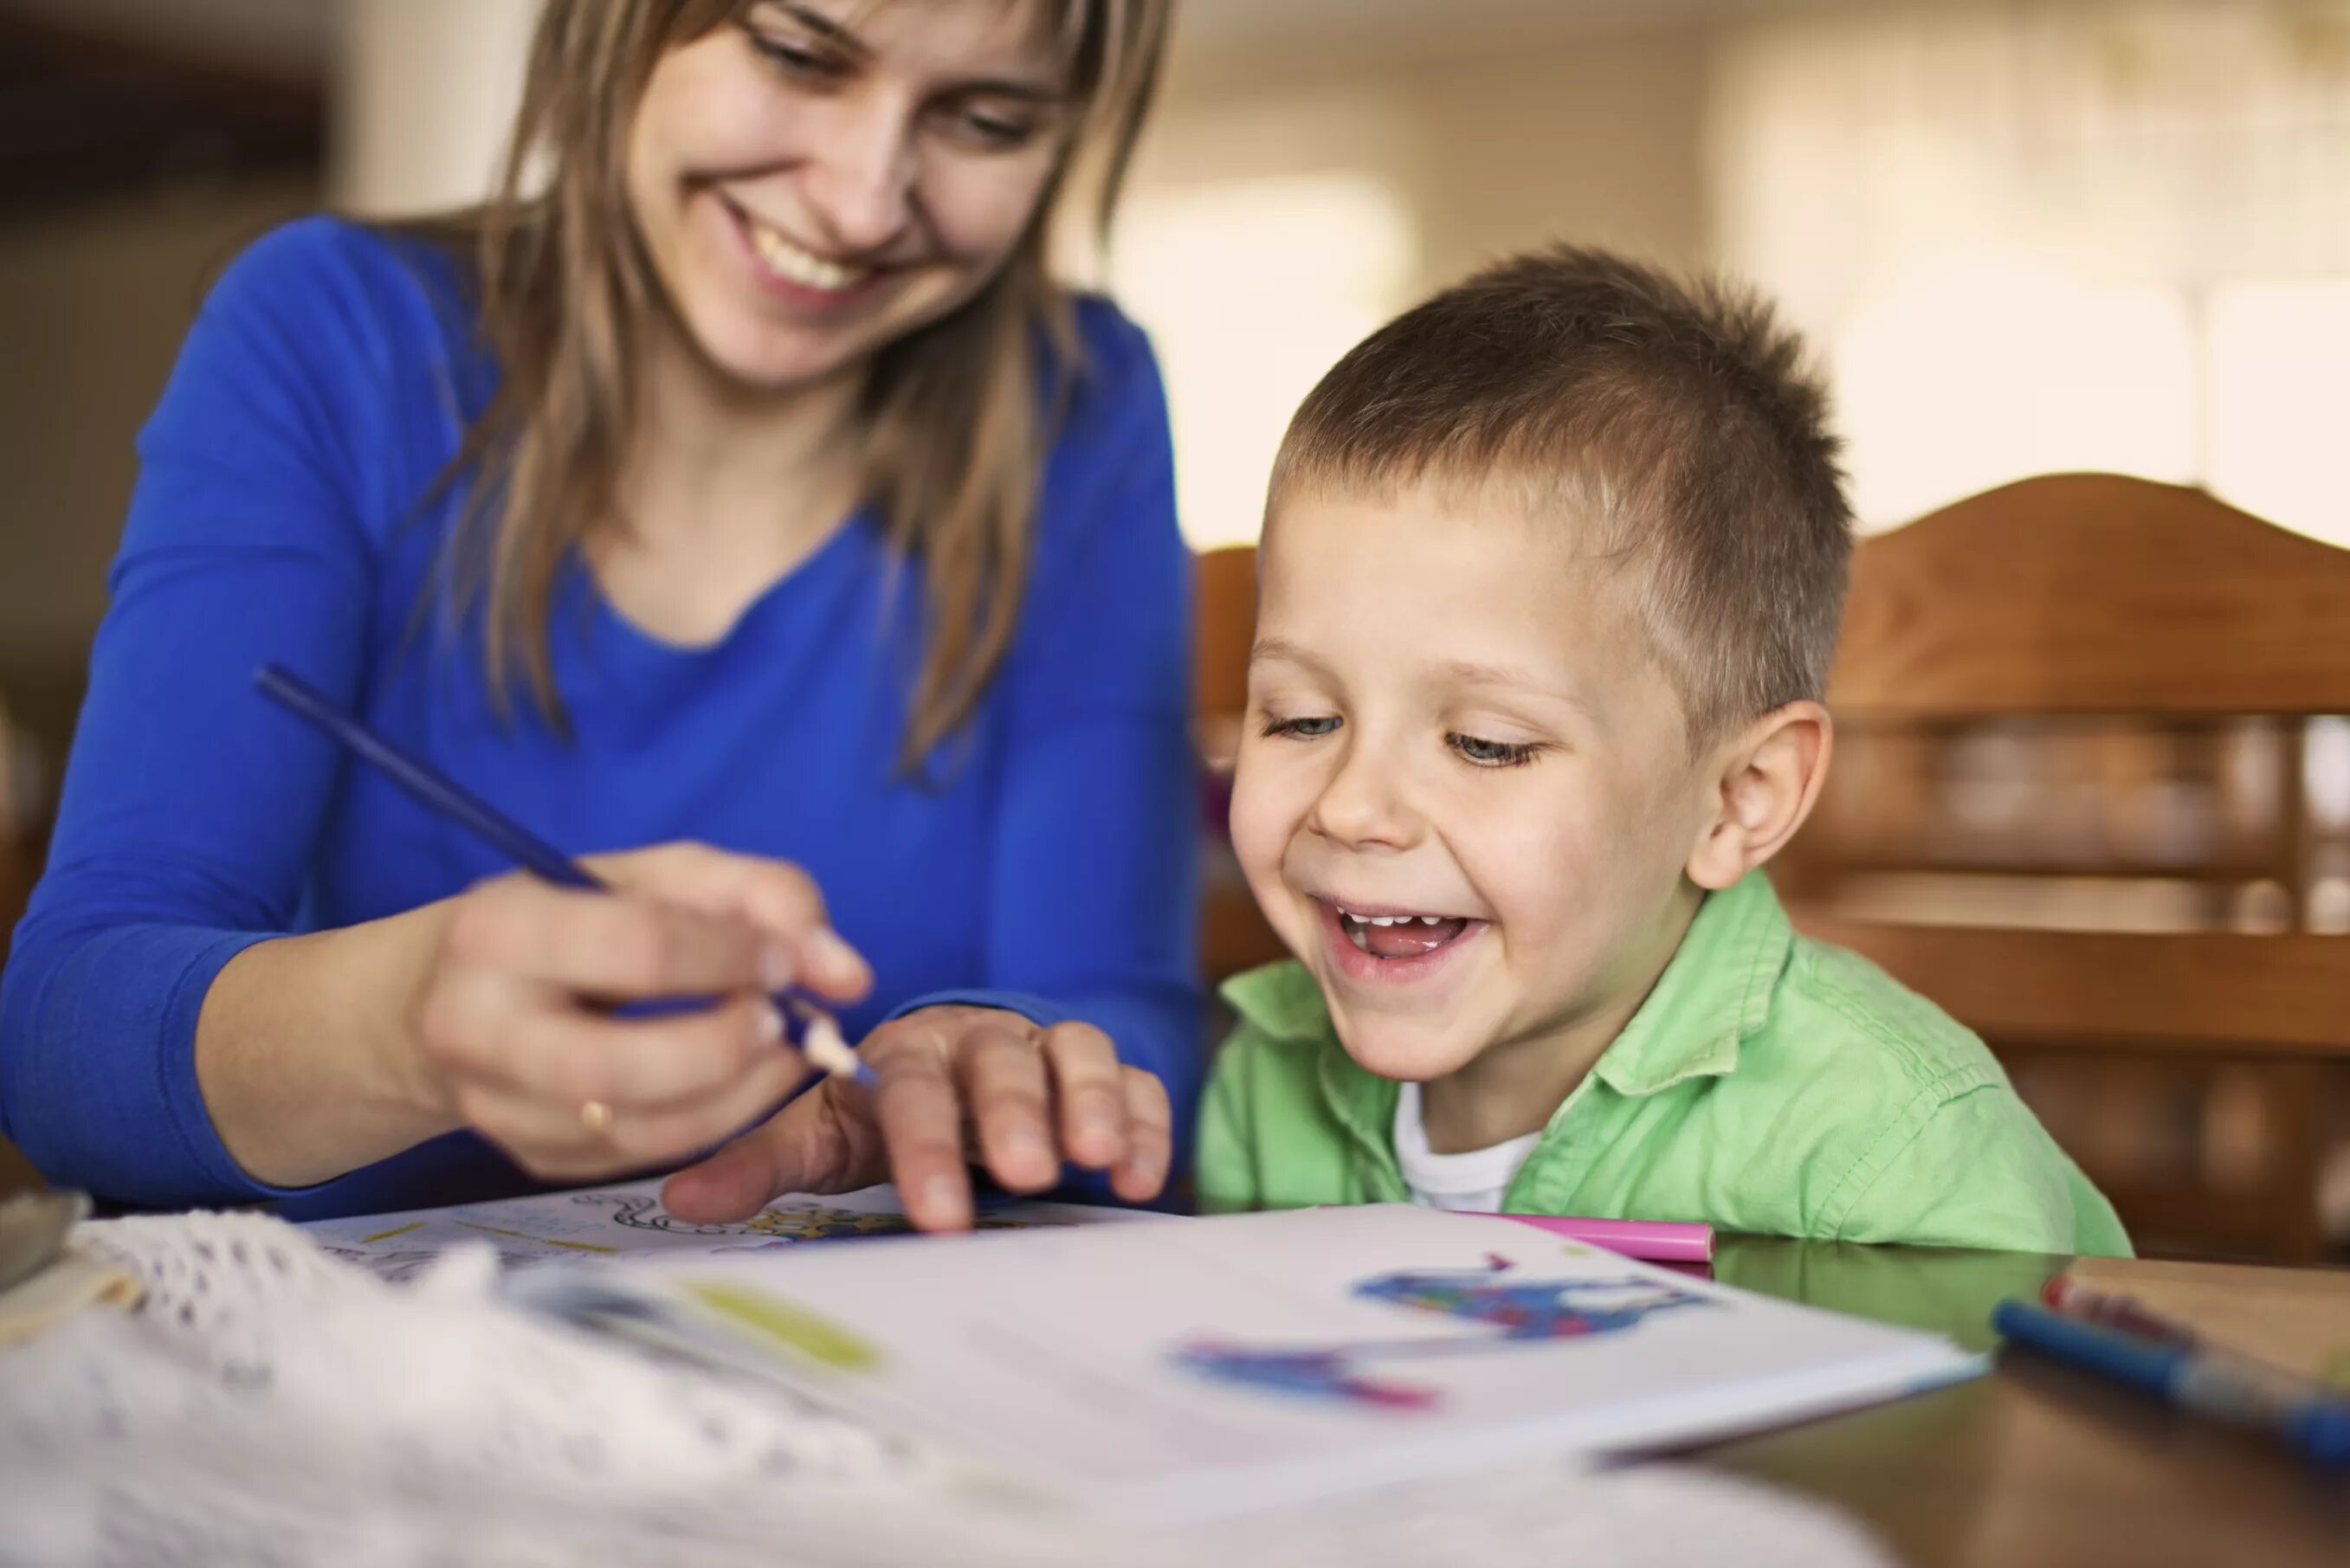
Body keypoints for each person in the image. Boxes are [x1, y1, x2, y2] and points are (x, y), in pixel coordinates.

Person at [0, 0, 1198, 1233]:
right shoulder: (329, 331)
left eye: (987, 121)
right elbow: (61, 1035)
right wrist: (404, 1025)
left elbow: (1131, 1015)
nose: (859, 203)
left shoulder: (1079, 407)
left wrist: (1010, 1057)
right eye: (794, 54)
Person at [1195, 247, 2129, 1255]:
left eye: (1484, 742)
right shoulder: (1264, 1075)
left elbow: (1994, 1416)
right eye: (1298, 717)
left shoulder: (1889, 1153)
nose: (1349, 806)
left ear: (1738, 797)